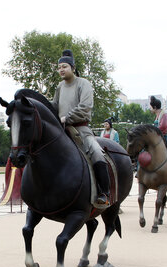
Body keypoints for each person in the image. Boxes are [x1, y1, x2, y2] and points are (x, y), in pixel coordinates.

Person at [51, 49, 110, 205]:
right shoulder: (59, 87)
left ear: (72, 68)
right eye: (59, 67)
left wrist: (67, 118)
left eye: (64, 66)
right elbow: (54, 105)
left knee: (97, 153)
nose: (61, 70)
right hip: (62, 130)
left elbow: (85, 106)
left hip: (81, 130)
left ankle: (104, 192)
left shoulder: (83, 84)